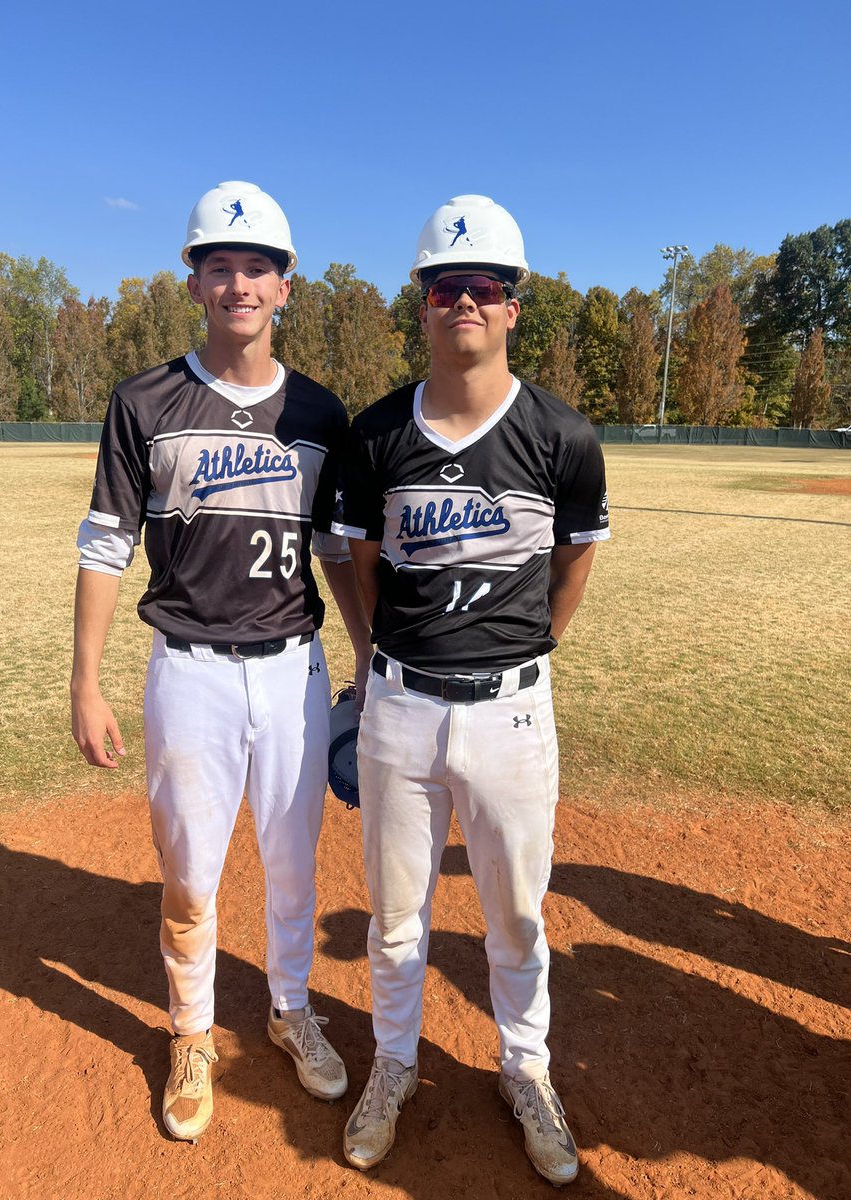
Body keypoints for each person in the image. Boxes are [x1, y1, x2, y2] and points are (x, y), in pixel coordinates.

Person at [71, 181, 370, 1142]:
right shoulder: (146, 401)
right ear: (194, 280)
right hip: (189, 669)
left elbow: (336, 552)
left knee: (292, 867)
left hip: (293, 671)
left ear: (287, 287)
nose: (239, 283)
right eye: (221, 265)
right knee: (190, 870)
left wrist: (365, 664)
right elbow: (105, 545)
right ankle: (191, 1031)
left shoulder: (322, 414)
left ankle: (289, 1011)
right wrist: (85, 680)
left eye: (259, 268)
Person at [334, 195, 610, 1185]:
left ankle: (526, 1071)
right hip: (401, 708)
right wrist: (370, 661)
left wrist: (529, 655)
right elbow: (354, 561)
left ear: (512, 306)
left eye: (482, 286)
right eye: (444, 285)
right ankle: (394, 1065)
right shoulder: (375, 438)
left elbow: (574, 566)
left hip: (511, 712)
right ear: (421, 301)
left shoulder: (562, 437)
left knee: (517, 918)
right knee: (397, 918)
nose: (463, 300)